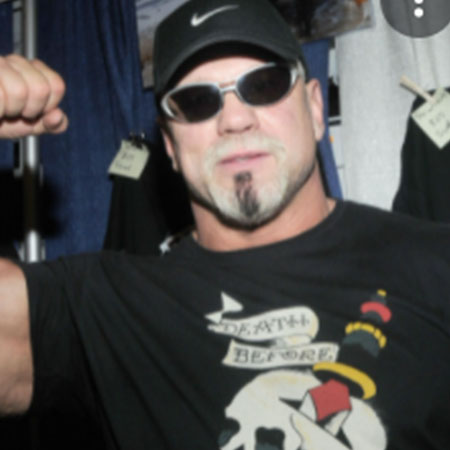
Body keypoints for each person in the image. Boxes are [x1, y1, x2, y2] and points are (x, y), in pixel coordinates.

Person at [0, 0, 449, 449]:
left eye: (265, 85)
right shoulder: (108, 307)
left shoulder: (435, 266)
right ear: (170, 145)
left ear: (315, 108)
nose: (235, 119)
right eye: (197, 102)